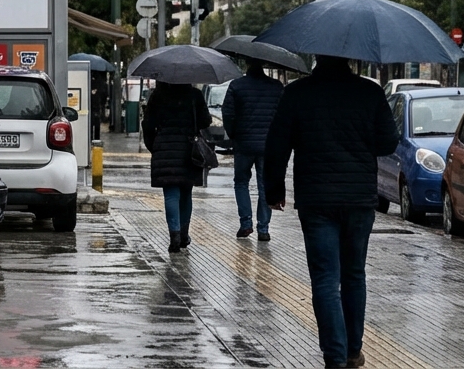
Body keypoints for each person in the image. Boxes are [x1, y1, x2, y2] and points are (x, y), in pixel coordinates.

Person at [265, 56, 397, 369]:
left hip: (316, 199)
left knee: (325, 278)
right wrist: (360, 138)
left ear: (317, 57)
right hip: (359, 198)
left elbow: (277, 145)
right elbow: (388, 142)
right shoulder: (369, 92)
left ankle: (335, 356)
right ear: (349, 58)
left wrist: (274, 191)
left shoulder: (297, 93)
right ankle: (353, 351)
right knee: (354, 275)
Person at [142, 82, 213, 253]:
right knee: (186, 193)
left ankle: (174, 235)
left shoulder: (158, 95)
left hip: (164, 149)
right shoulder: (195, 95)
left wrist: (155, 146)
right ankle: (183, 234)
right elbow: (206, 121)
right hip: (189, 150)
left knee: (171, 194)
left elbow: (148, 124)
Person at [222, 59, 283, 241]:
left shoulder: (236, 86)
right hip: (268, 145)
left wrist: (233, 134)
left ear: (247, 64)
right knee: (264, 184)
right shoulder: (276, 87)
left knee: (241, 182)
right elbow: (283, 115)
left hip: (244, 143)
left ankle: (246, 223)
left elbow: (228, 114)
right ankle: (263, 228)